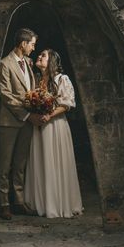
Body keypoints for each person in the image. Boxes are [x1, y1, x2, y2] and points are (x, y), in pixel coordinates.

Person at [25, 49, 83, 218]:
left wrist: (49, 115)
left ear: (51, 61)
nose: (39, 56)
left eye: (43, 55)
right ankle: (42, 203)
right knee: (40, 160)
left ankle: (59, 203)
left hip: (55, 125)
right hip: (39, 125)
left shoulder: (61, 79)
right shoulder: (35, 79)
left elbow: (66, 104)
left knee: (56, 161)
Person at [0, 28, 45, 220]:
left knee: (20, 163)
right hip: (9, 121)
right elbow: (6, 96)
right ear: (23, 44)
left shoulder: (29, 62)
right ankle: (4, 204)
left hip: (27, 121)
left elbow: (30, 92)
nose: (34, 48)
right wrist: (27, 115)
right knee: (4, 164)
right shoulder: (5, 64)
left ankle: (19, 201)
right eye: (32, 44)